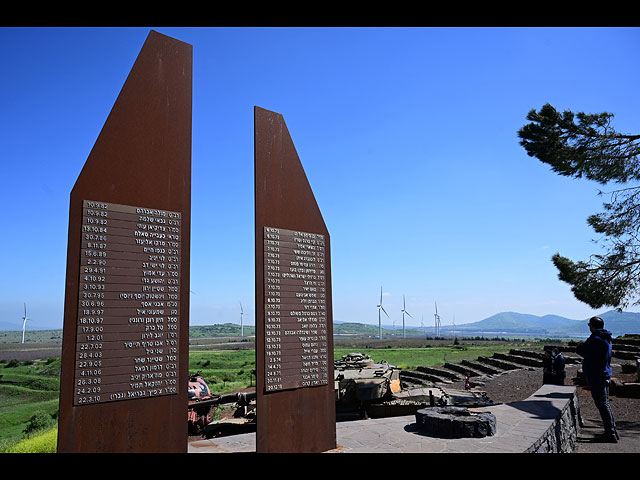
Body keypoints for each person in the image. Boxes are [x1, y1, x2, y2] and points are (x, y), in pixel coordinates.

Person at [576, 316, 619, 443]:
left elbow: (582, 350)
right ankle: (612, 431)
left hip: (597, 375)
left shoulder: (596, 339)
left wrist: (580, 346)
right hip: (604, 373)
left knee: (602, 404)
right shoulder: (606, 338)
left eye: (590, 325)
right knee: (605, 404)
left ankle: (610, 434)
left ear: (592, 326)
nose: (589, 327)